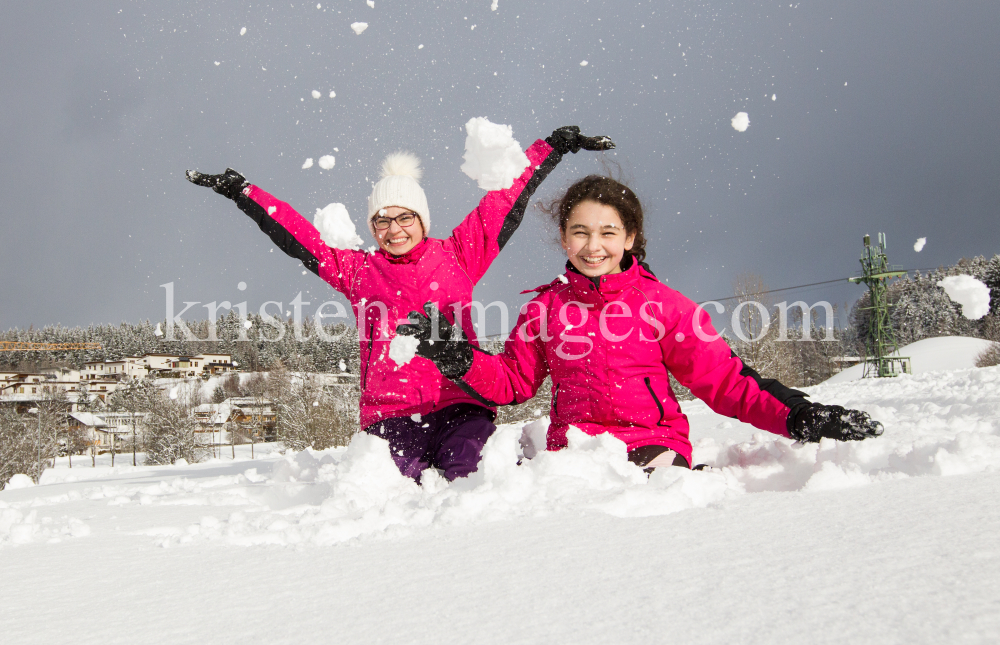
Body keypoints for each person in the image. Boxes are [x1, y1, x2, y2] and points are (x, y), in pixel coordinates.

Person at [185, 127, 614, 480]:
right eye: (382, 220)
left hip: (461, 405)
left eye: (404, 216)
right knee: (389, 493)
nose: (394, 229)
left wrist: (551, 149)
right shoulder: (357, 271)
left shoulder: (459, 255)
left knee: (473, 480)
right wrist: (244, 193)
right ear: (372, 226)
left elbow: (503, 201)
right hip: (391, 415)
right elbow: (298, 237)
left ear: (422, 219)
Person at [397, 175, 883, 471]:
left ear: (629, 237)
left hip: (653, 447)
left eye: (608, 232)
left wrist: (799, 415)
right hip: (574, 456)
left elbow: (727, 382)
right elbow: (513, 383)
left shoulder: (663, 305)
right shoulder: (544, 310)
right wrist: (461, 360)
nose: (593, 246)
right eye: (580, 232)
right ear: (564, 240)